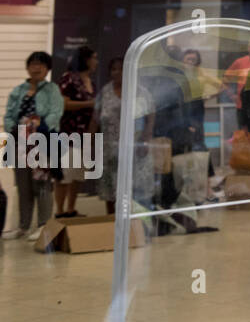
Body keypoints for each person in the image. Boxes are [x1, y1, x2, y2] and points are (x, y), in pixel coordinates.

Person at [3, 52, 61, 240]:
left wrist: (39, 129)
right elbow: (9, 115)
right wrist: (14, 129)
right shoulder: (19, 90)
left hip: (41, 141)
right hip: (19, 142)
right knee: (23, 185)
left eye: (41, 64)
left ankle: (44, 225)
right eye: (33, 64)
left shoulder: (52, 89)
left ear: (47, 68)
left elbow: (55, 113)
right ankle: (23, 226)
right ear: (28, 67)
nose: (36, 68)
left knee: (42, 184)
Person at [89, 57, 156, 215]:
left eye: (122, 68)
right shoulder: (105, 92)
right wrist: (89, 145)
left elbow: (151, 117)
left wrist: (145, 140)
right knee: (111, 190)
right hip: (109, 149)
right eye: (114, 69)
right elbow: (95, 119)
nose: (118, 72)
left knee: (136, 188)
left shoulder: (141, 92)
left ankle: (136, 226)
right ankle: (112, 223)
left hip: (135, 148)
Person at [55, 46, 97, 218]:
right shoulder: (69, 78)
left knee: (78, 174)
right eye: (94, 57)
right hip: (68, 133)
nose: (96, 61)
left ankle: (71, 208)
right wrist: (88, 104)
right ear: (85, 59)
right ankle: (60, 211)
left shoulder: (91, 82)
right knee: (65, 174)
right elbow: (62, 104)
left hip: (85, 134)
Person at [222, 35, 250, 122]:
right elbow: (225, 79)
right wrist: (232, 96)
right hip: (242, 106)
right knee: (244, 134)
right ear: (248, 49)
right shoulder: (240, 62)